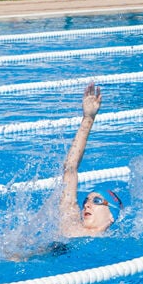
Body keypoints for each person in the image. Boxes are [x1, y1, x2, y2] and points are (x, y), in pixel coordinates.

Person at [56, 84, 122, 237]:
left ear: (112, 216)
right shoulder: (71, 225)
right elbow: (70, 169)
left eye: (97, 201)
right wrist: (88, 119)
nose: (86, 205)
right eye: (86, 200)